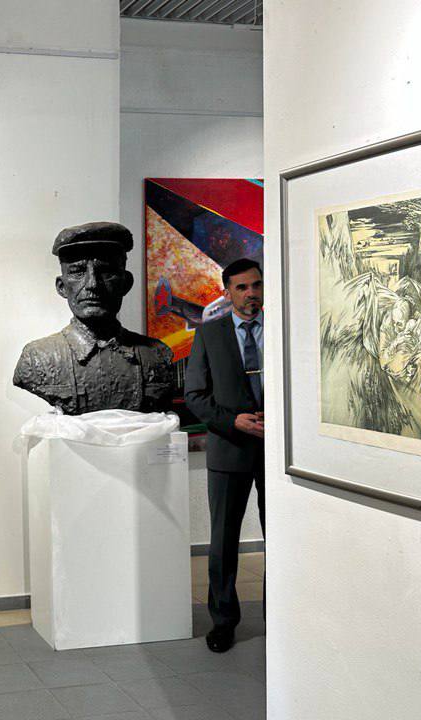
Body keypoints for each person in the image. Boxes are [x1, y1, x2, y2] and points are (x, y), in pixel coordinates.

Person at [184, 257, 265, 653]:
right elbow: (195, 396)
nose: (251, 294)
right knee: (223, 542)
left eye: (256, 285)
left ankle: (278, 618)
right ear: (227, 292)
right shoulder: (210, 334)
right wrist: (234, 422)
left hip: (277, 454)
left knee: (281, 538)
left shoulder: (282, 329)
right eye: (242, 287)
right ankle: (223, 622)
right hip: (229, 448)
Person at [13, 221, 178, 414]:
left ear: (125, 283)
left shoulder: (157, 356)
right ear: (61, 287)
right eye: (78, 272)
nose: (92, 284)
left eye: (106, 271)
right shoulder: (37, 358)